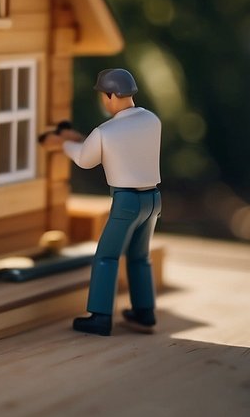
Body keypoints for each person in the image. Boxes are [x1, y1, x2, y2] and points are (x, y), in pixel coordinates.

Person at [43, 68, 161, 336]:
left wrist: (63, 145)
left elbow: (85, 159)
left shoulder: (106, 131)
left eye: (103, 96)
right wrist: (82, 140)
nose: (102, 102)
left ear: (111, 96)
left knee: (106, 256)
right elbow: (123, 148)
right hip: (152, 199)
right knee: (140, 257)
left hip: (126, 201)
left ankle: (99, 316)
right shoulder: (152, 120)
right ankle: (145, 314)